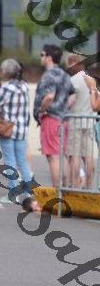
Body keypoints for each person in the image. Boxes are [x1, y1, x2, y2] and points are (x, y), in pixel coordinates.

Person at [33, 44, 75, 187]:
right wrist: (63, 108)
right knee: (63, 156)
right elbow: (72, 96)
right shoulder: (64, 74)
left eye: (42, 55)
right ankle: (65, 190)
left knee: (53, 157)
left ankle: (57, 191)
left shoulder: (48, 75)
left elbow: (49, 96)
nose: (40, 57)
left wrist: (41, 110)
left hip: (51, 119)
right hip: (64, 119)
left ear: (49, 58)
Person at [0, 59, 31, 204]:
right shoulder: (24, 86)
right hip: (21, 128)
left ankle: (13, 193)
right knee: (22, 161)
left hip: (7, 128)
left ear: (6, 72)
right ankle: (28, 193)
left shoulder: (6, 88)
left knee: (10, 161)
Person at [66, 54, 95, 188]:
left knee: (74, 156)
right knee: (88, 156)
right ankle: (88, 186)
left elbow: (69, 102)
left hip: (75, 121)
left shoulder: (72, 81)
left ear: (73, 63)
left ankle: (75, 185)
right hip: (89, 122)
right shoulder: (91, 79)